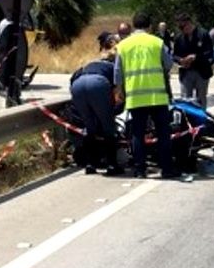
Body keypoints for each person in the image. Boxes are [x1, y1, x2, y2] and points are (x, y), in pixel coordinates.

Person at [114, 12, 174, 179]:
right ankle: (166, 169)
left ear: (133, 26)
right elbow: (168, 64)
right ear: (149, 26)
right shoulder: (157, 42)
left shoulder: (124, 45)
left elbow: (117, 71)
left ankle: (140, 170)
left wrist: (119, 91)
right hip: (157, 97)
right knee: (163, 134)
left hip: (136, 97)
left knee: (137, 135)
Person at [70, 32, 124, 176]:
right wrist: (115, 109)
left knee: (89, 127)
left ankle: (90, 164)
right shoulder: (114, 67)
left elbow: (73, 77)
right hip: (98, 85)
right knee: (108, 128)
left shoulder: (90, 62)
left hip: (78, 85)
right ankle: (112, 165)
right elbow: (118, 94)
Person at [173, 13, 214, 108]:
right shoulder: (179, 38)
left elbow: (209, 53)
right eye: (180, 27)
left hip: (201, 72)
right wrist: (181, 60)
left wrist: (195, 57)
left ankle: (202, 121)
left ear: (189, 23)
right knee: (185, 100)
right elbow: (174, 55)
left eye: (183, 26)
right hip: (186, 72)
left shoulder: (203, 34)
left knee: (201, 100)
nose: (182, 29)